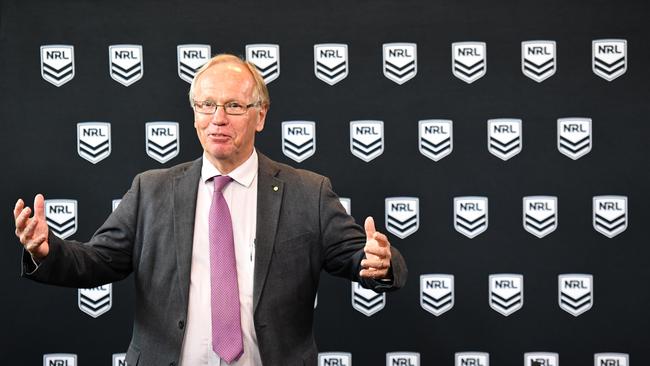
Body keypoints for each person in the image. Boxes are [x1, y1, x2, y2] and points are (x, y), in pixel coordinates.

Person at [13, 54, 407, 366]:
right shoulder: (151, 190)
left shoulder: (309, 192)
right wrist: (47, 251)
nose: (218, 118)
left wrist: (380, 262)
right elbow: (98, 260)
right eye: (206, 105)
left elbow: (362, 259)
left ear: (261, 114)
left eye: (234, 105)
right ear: (195, 114)